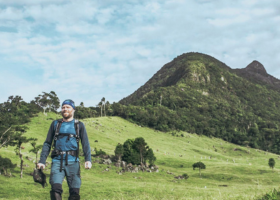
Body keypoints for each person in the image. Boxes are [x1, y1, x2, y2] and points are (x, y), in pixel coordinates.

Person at [37, 99, 92, 200]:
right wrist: (42, 161)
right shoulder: (55, 124)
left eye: (67, 107)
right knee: (55, 191)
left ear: (73, 110)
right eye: (63, 107)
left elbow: (85, 144)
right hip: (57, 161)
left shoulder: (79, 125)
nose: (65, 109)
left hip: (73, 162)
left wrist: (88, 160)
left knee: (74, 193)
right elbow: (47, 143)